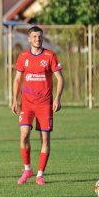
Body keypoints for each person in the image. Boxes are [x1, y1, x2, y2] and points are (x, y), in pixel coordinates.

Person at [11, 26, 64, 185]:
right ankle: (27, 169)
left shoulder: (50, 55)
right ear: (29, 39)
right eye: (34, 37)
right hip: (27, 103)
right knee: (24, 134)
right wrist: (14, 99)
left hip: (44, 104)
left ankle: (40, 174)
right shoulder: (23, 56)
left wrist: (57, 99)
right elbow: (17, 79)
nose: (37, 39)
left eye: (40, 36)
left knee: (45, 139)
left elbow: (60, 79)